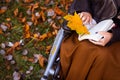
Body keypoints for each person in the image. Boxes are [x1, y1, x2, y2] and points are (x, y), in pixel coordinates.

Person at [60, 0, 120, 80]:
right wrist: (84, 11)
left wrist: (113, 35)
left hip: (116, 36)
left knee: (103, 56)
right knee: (81, 47)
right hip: (90, 24)